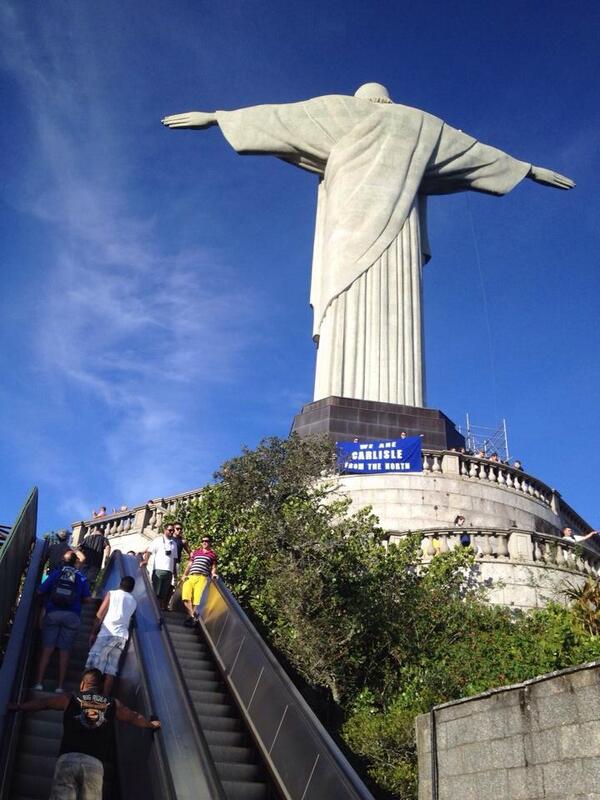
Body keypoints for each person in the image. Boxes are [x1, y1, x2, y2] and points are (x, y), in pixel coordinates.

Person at [163, 85, 573, 407]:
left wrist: (219, 118)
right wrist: (529, 169)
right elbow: (474, 153)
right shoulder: (421, 124)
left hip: (348, 230)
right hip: (390, 231)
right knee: (377, 306)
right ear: (389, 100)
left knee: (347, 299)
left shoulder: (335, 111)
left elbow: (281, 118)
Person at [9, 667, 160, 800]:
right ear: (101, 687)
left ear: (82, 684)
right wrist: (149, 724)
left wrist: (19, 706)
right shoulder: (112, 703)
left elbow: (44, 703)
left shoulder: (71, 698)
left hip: (68, 758)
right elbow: (132, 716)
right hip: (94, 764)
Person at [34, 551, 92, 693]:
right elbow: (87, 598)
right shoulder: (80, 576)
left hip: (53, 613)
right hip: (72, 616)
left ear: (63, 560)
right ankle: (60, 687)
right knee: (65, 652)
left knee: (47, 650)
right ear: (75, 562)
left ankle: (39, 683)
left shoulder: (56, 573)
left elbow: (40, 591)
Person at [86, 576, 137, 695]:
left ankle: (86, 694)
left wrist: (93, 632)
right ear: (132, 588)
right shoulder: (133, 601)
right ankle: (104, 699)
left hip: (106, 633)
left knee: (92, 664)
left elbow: (100, 614)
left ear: (120, 584)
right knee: (110, 670)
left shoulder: (112, 594)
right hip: (121, 637)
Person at [181, 536, 218, 626]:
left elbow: (213, 567)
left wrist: (213, 574)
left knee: (197, 600)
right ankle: (192, 616)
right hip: (191, 576)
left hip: (202, 577)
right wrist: (184, 574)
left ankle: (191, 618)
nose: (204, 542)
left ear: (210, 542)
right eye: (203, 541)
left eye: (206, 541)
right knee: (185, 596)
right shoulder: (196, 552)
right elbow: (190, 564)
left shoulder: (213, 554)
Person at [141, 523, 177, 610]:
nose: (172, 532)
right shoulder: (158, 540)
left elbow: (175, 559)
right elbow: (149, 552)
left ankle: (159, 610)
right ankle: (153, 610)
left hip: (169, 571)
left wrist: (175, 573)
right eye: (170, 530)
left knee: (163, 594)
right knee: (156, 592)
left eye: (173, 530)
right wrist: (145, 561)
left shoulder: (174, 543)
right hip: (159, 570)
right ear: (165, 530)